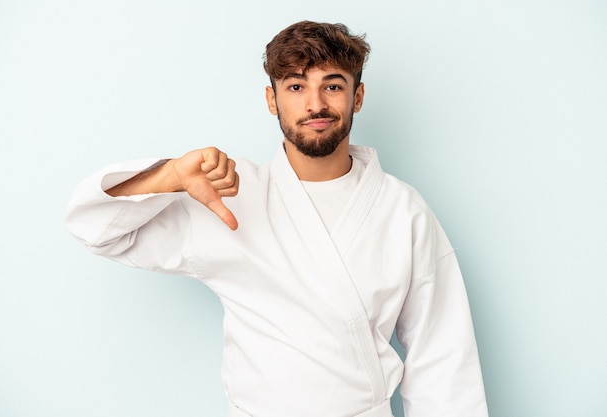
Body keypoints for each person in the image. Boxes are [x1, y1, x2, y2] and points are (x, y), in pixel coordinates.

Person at [66, 20, 488, 417]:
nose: (315, 104)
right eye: (296, 86)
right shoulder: (229, 195)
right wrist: (172, 176)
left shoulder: (403, 210)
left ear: (357, 96)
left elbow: (443, 359)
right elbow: (94, 227)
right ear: (273, 99)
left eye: (333, 85)